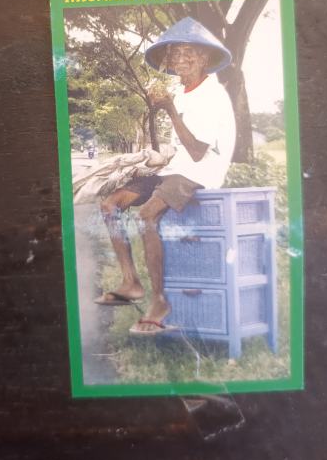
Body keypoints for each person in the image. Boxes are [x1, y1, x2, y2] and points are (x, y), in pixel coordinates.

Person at [95, 17, 236, 335]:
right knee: (110, 205)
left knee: (146, 215)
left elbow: (197, 152)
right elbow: (177, 147)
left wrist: (170, 109)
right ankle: (131, 282)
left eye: (186, 52)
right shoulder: (182, 92)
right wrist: (150, 157)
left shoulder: (213, 95)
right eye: (172, 53)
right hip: (174, 168)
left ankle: (159, 301)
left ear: (203, 57)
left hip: (200, 171)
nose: (177, 59)